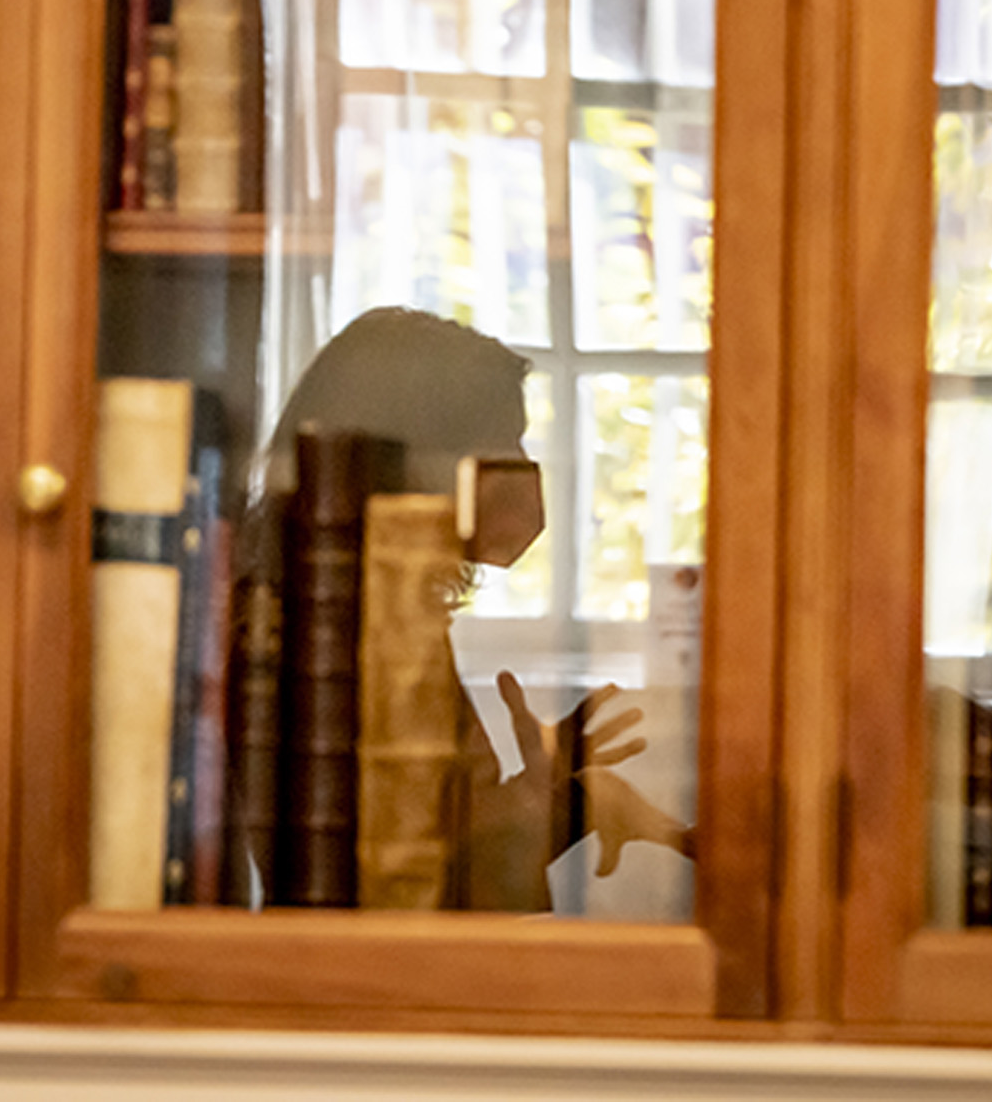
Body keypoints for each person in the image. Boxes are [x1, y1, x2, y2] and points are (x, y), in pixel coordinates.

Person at [237, 305, 691, 911]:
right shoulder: (321, 630)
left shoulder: (392, 619)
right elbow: (377, 888)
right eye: (505, 441)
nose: (522, 466)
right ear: (429, 457)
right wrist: (550, 807)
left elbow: (431, 858)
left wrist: (549, 800)